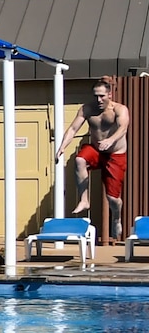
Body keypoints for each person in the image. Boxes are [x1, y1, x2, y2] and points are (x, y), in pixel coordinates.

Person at [57, 78, 129, 241]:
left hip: (115, 154)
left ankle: (116, 217)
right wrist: (62, 146)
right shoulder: (87, 109)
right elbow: (73, 128)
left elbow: (123, 128)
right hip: (97, 150)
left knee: (113, 199)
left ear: (110, 94)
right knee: (80, 160)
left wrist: (111, 140)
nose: (99, 100)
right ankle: (84, 200)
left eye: (102, 96)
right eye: (96, 96)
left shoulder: (119, 109)